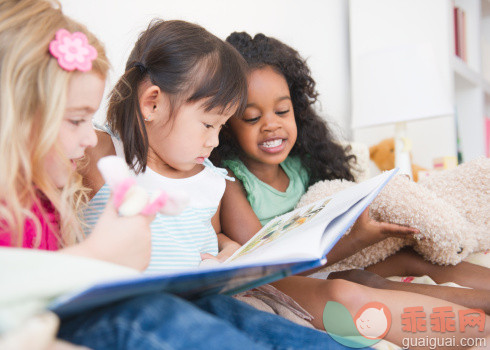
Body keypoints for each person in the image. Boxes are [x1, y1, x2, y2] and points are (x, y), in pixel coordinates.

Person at [0, 2, 359, 349]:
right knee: (159, 312)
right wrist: (99, 255)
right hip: (126, 310)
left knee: (255, 321)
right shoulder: (96, 156)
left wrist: (229, 256)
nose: (86, 134)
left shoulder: (46, 200)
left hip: (188, 299)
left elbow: (216, 236)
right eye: (76, 119)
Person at [211, 31, 490, 344]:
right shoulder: (230, 179)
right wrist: (357, 239)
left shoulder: (302, 164)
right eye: (251, 117)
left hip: (331, 261)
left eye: (282, 111)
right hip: (283, 278)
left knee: (413, 257)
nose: (271, 124)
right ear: (227, 126)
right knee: (347, 291)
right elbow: (269, 264)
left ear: (297, 110)